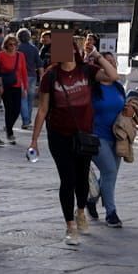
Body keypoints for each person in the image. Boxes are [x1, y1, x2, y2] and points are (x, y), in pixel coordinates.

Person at [28, 38, 119, 246]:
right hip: (59, 135)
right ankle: (70, 225)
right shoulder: (50, 76)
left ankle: (80, 211)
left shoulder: (87, 70)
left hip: (84, 134)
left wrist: (96, 55)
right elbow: (42, 109)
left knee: (81, 178)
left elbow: (113, 76)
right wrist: (34, 140)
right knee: (67, 179)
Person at [87, 51, 128, 228]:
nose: (111, 65)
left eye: (113, 62)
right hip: (97, 135)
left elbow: (122, 107)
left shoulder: (118, 87)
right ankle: (111, 213)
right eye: (107, 62)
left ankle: (91, 199)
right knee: (109, 170)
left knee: (109, 175)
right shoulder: (92, 87)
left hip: (116, 136)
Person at [0, 35, 28, 144]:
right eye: (10, 44)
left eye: (15, 44)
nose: (13, 46)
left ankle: (8, 126)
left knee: (17, 109)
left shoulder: (20, 55)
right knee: (9, 109)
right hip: (6, 86)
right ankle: (10, 133)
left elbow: (24, 72)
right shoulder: (0, 55)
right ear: (6, 45)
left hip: (17, 85)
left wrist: (25, 87)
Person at [17, 28, 41, 131]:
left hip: (21, 76)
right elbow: (39, 64)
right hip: (32, 75)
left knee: (23, 98)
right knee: (30, 99)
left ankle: (26, 121)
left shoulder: (17, 48)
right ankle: (28, 120)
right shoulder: (34, 48)